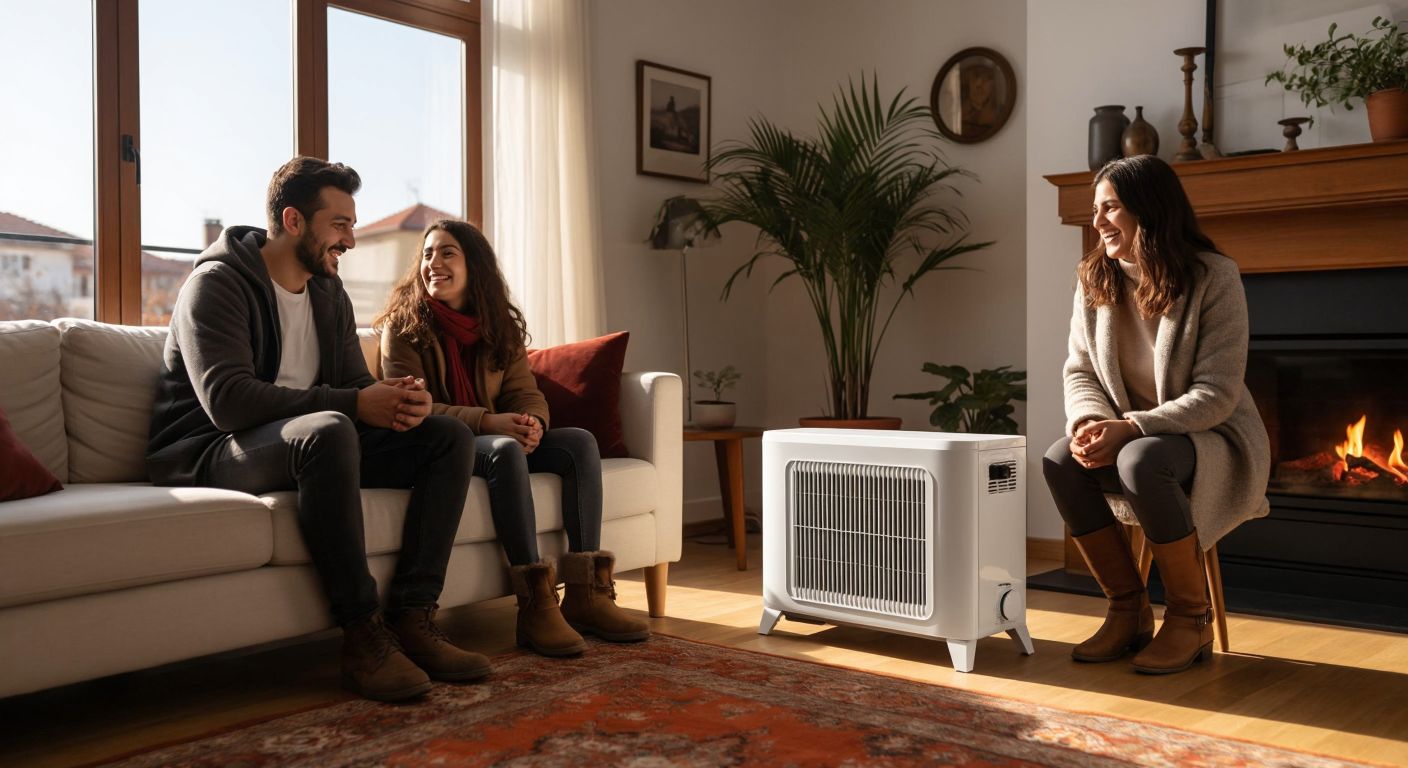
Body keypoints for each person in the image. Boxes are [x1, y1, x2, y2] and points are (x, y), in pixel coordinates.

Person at [147, 157, 485, 701]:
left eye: (352, 224)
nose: (349, 239)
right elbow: (228, 403)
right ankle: (361, 635)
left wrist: (399, 404)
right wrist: (353, 402)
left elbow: (353, 383)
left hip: (306, 444)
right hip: (210, 451)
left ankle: (414, 619)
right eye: (340, 224)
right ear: (295, 220)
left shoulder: (329, 291)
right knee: (328, 428)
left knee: (447, 437)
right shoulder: (215, 284)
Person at [374, 219, 649, 658]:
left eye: (447, 253)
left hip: (498, 432)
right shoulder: (404, 327)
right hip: (448, 444)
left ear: (474, 265)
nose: (433, 264)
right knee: (503, 449)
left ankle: (587, 594)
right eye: (427, 254)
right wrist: (490, 423)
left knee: (578, 441)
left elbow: (526, 390)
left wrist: (532, 421)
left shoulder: (498, 325)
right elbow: (413, 408)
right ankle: (535, 603)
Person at [1042, 154, 1269, 675]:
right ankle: (1128, 610)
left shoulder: (1215, 276)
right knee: (1060, 459)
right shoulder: (1095, 278)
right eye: (1096, 210)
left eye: (1111, 208)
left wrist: (1132, 427)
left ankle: (1191, 618)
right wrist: (1087, 424)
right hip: (1132, 432)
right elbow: (1080, 371)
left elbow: (1217, 393)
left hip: (1210, 434)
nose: (1097, 222)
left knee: (1141, 460)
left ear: (1149, 209)